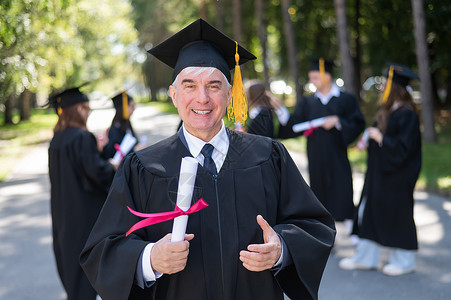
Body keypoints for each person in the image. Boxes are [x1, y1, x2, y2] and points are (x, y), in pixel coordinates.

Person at [80, 19, 335, 300]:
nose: (202, 98)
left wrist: (281, 249)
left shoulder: (268, 156)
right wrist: (149, 258)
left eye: (214, 86)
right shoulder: (143, 167)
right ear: (174, 96)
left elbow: (314, 225)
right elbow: (101, 250)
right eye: (189, 86)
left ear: (229, 94)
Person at [339, 63, 422, 276]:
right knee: (369, 211)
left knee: (398, 214)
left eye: (385, 84)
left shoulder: (407, 114)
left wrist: (381, 138)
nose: (381, 88)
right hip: (379, 173)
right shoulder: (387, 110)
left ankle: (404, 261)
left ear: (395, 88)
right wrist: (370, 139)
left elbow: (405, 148)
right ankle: (366, 258)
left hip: (397, 176)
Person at [48, 86, 116, 299]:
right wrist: (113, 165)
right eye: (85, 108)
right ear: (77, 110)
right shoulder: (82, 137)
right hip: (84, 215)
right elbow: (98, 174)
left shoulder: (57, 139)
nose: (88, 112)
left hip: (63, 215)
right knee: (88, 267)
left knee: (71, 270)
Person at [278, 58, 365, 223]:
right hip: (316, 155)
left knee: (342, 190)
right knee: (319, 194)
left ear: (327, 76)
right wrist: (280, 110)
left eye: (315, 77)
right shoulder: (309, 102)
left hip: (337, 154)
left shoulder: (345, 99)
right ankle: (325, 233)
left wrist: (338, 122)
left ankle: (349, 228)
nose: (312, 81)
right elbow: (293, 126)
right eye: (311, 77)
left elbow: (358, 123)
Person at [100, 91, 145, 159]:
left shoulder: (126, 124)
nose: (134, 109)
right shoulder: (115, 129)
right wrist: (135, 150)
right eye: (131, 106)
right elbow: (114, 156)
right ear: (123, 108)